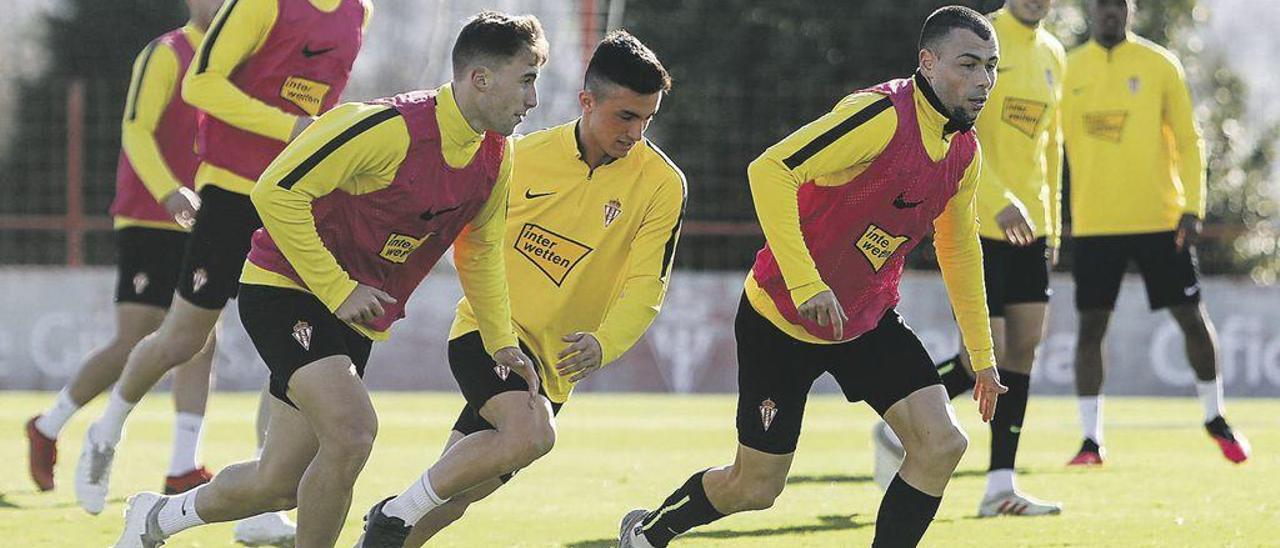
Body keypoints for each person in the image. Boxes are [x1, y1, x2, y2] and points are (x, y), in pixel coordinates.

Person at [111, 10, 547, 548]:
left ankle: (155, 518)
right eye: (527, 79)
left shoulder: (495, 157)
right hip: (285, 287)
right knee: (353, 432)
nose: (533, 98)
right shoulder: (387, 126)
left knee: (277, 485)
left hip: (355, 315)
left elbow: (479, 254)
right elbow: (274, 192)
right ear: (481, 78)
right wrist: (339, 289)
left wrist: (500, 341)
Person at [618, 6, 1004, 547]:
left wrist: (983, 358)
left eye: (991, 67)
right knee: (755, 486)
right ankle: (652, 529)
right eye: (969, 64)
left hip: (865, 322)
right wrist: (808, 285)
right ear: (929, 63)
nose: (983, 80)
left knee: (941, 443)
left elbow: (959, 248)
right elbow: (769, 169)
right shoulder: (880, 116)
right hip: (781, 319)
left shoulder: (964, 150)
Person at [357, 30, 685, 548]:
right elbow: (466, 240)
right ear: (587, 100)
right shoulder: (519, 156)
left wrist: (605, 343)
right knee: (532, 436)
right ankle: (392, 513)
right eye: (626, 116)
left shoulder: (664, 185)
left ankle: (388, 533)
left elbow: (648, 284)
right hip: (491, 334)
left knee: (458, 492)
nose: (636, 133)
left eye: (648, 119)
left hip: (557, 366)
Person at [74, 1, 372, 537]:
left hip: (298, 197)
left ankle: (263, 508)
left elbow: (327, 104)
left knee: (294, 350)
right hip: (233, 191)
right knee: (183, 339)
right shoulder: (261, 4)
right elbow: (202, 85)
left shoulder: (359, 12)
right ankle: (107, 429)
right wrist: (290, 126)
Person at [871, 0, 1065, 517]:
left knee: (1022, 349)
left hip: (1035, 227)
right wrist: (998, 200)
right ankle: (904, 420)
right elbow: (959, 133)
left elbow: (1050, 144)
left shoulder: (1053, 53)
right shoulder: (980, 40)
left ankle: (1000, 485)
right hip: (981, 217)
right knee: (987, 351)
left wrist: (1056, 220)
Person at [26, 0, 222, 499]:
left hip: (209, 217)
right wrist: (167, 190)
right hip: (151, 214)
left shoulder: (238, 57)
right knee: (136, 338)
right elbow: (135, 127)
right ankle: (50, 426)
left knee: (201, 339)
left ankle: (183, 466)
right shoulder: (166, 53)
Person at [1062, 0, 1248, 466]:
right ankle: (1091, 439)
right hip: (1094, 224)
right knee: (1090, 330)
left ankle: (1215, 415)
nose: (1109, 13)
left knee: (1191, 318)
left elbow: (1189, 139)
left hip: (1161, 222)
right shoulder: (1068, 68)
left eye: (1118, 5)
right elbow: (1047, 145)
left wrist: (1192, 206)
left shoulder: (1160, 63)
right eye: (1101, 5)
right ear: (1090, 10)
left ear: (1131, 10)